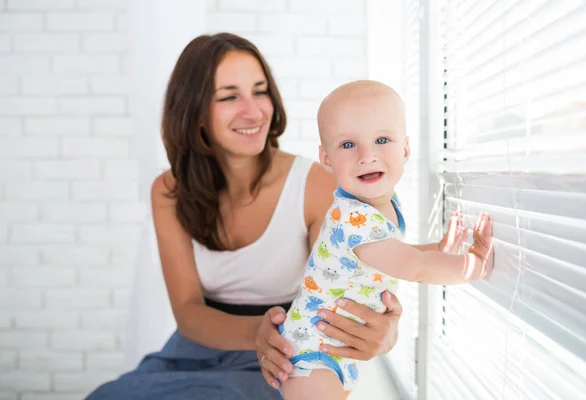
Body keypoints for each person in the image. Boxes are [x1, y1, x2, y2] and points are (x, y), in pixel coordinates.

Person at [85, 33, 403, 400]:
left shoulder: (315, 184)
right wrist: (255, 332)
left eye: (260, 90)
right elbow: (189, 312)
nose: (253, 111)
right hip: (194, 351)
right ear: (195, 111)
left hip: (285, 350)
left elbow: (357, 276)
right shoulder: (168, 191)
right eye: (229, 96)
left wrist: (385, 331)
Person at [278, 80, 494, 399]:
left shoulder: (379, 207)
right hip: (313, 351)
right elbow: (414, 267)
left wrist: (438, 249)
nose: (367, 155)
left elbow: (393, 255)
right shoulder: (353, 218)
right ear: (326, 159)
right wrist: (472, 265)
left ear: (405, 150)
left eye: (382, 140)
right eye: (348, 145)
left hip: (335, 346)